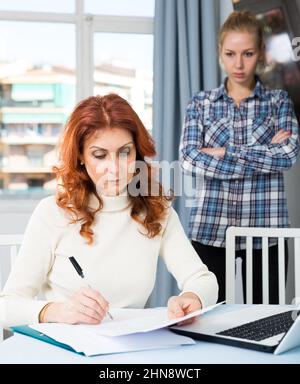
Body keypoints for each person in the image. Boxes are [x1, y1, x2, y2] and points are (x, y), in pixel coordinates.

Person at [0, 94, 218, 327]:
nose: (114, 168)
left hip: (131, 348)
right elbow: (7, 306)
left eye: (125, 152)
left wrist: (191, 297)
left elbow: (202, 279)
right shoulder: (52, 213)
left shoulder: (157, 210)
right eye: (99, 155)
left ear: (137, 153)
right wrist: (57, 311)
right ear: (81, 156)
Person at [180, 11, 299, 303]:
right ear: (220, 53)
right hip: (210, 230)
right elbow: (188, 159)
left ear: (259, 53)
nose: (238, 63)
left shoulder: (278, 102)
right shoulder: (201, 103)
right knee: (205, 320)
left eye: (247, 53)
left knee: (265, 323)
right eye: (230, 53)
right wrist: (262, 156)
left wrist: (224, 152)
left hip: (266, 233)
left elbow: (288, 154)